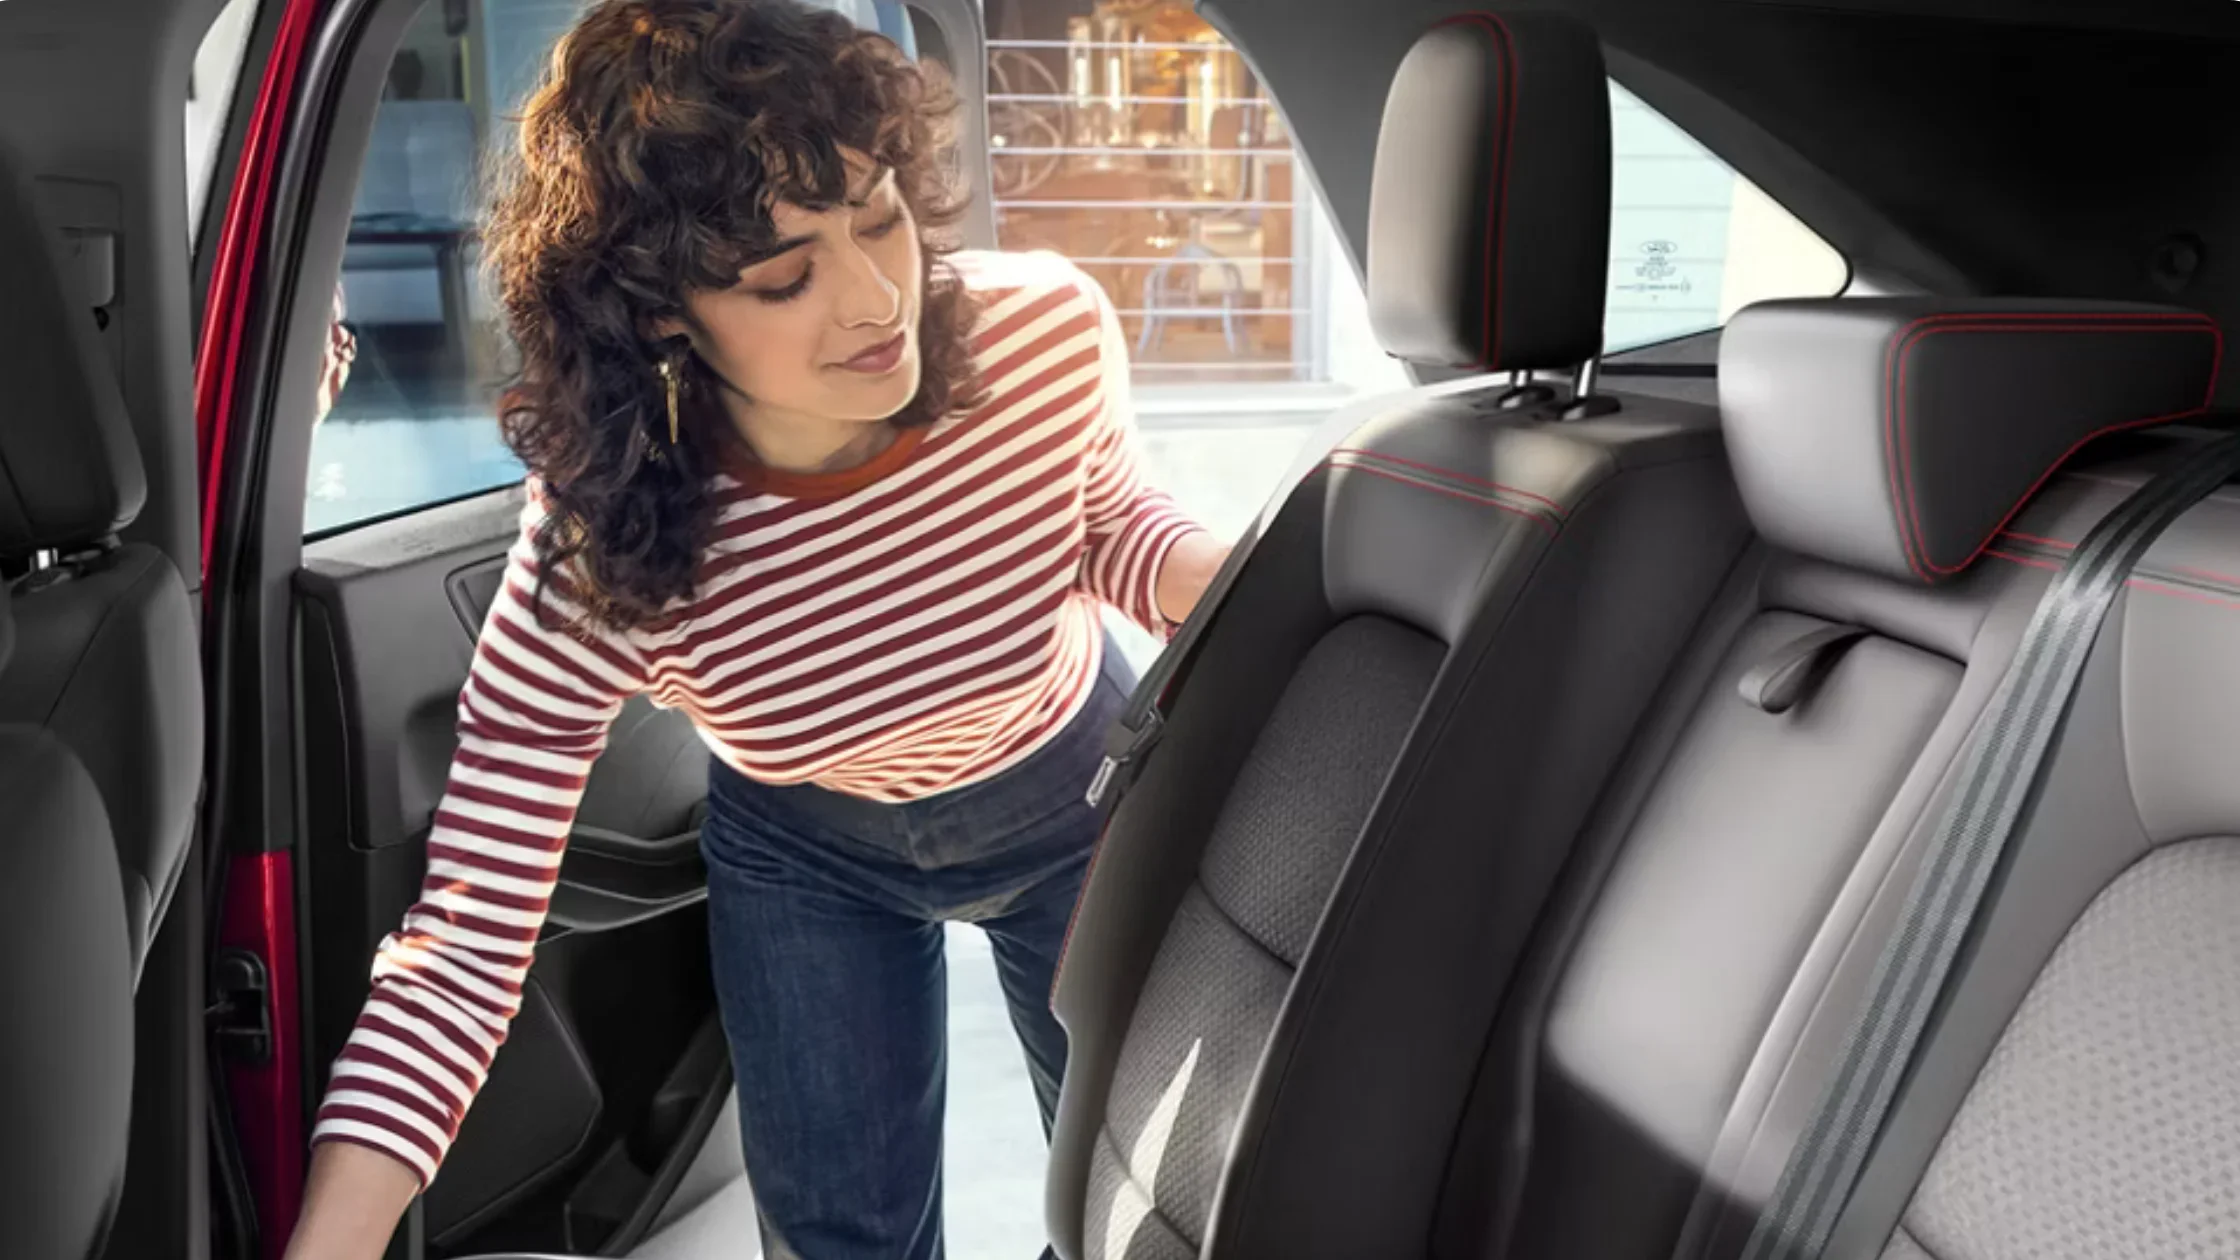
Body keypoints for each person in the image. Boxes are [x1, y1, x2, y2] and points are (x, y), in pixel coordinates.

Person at [281, 2, 1228, 1258]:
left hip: (1072, 798)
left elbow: (1104, 522)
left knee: (1136, 1220)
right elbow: (460, 945)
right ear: (662, 311)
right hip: (805, 852)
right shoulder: (604, 539)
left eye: (879, 215)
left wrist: (1236, 585)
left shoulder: (1036, 330)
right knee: (840, 1239)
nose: (875, 299)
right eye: (783, 275)